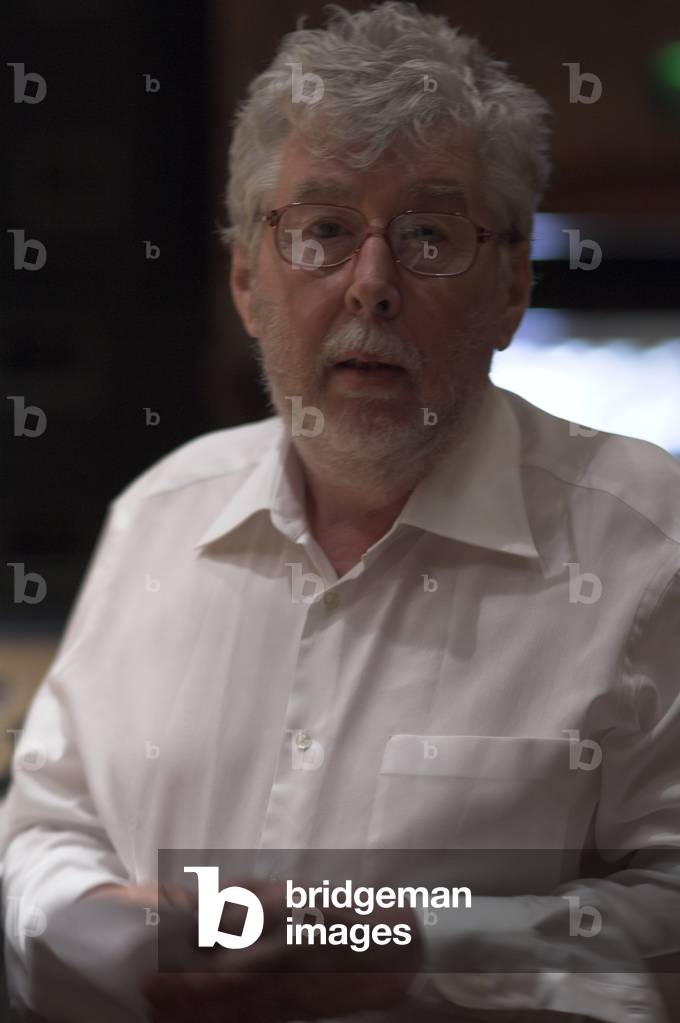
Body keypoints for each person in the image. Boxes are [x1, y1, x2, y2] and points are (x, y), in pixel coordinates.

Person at [2, 2, 679, 1021]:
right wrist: (111, 929)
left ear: (507, 286)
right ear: (244, 279)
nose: (370, 286)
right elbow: (48, 821)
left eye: (427, 237)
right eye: (320, 231)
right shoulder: (158, 515)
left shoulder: (649, 548)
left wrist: (394, 952)